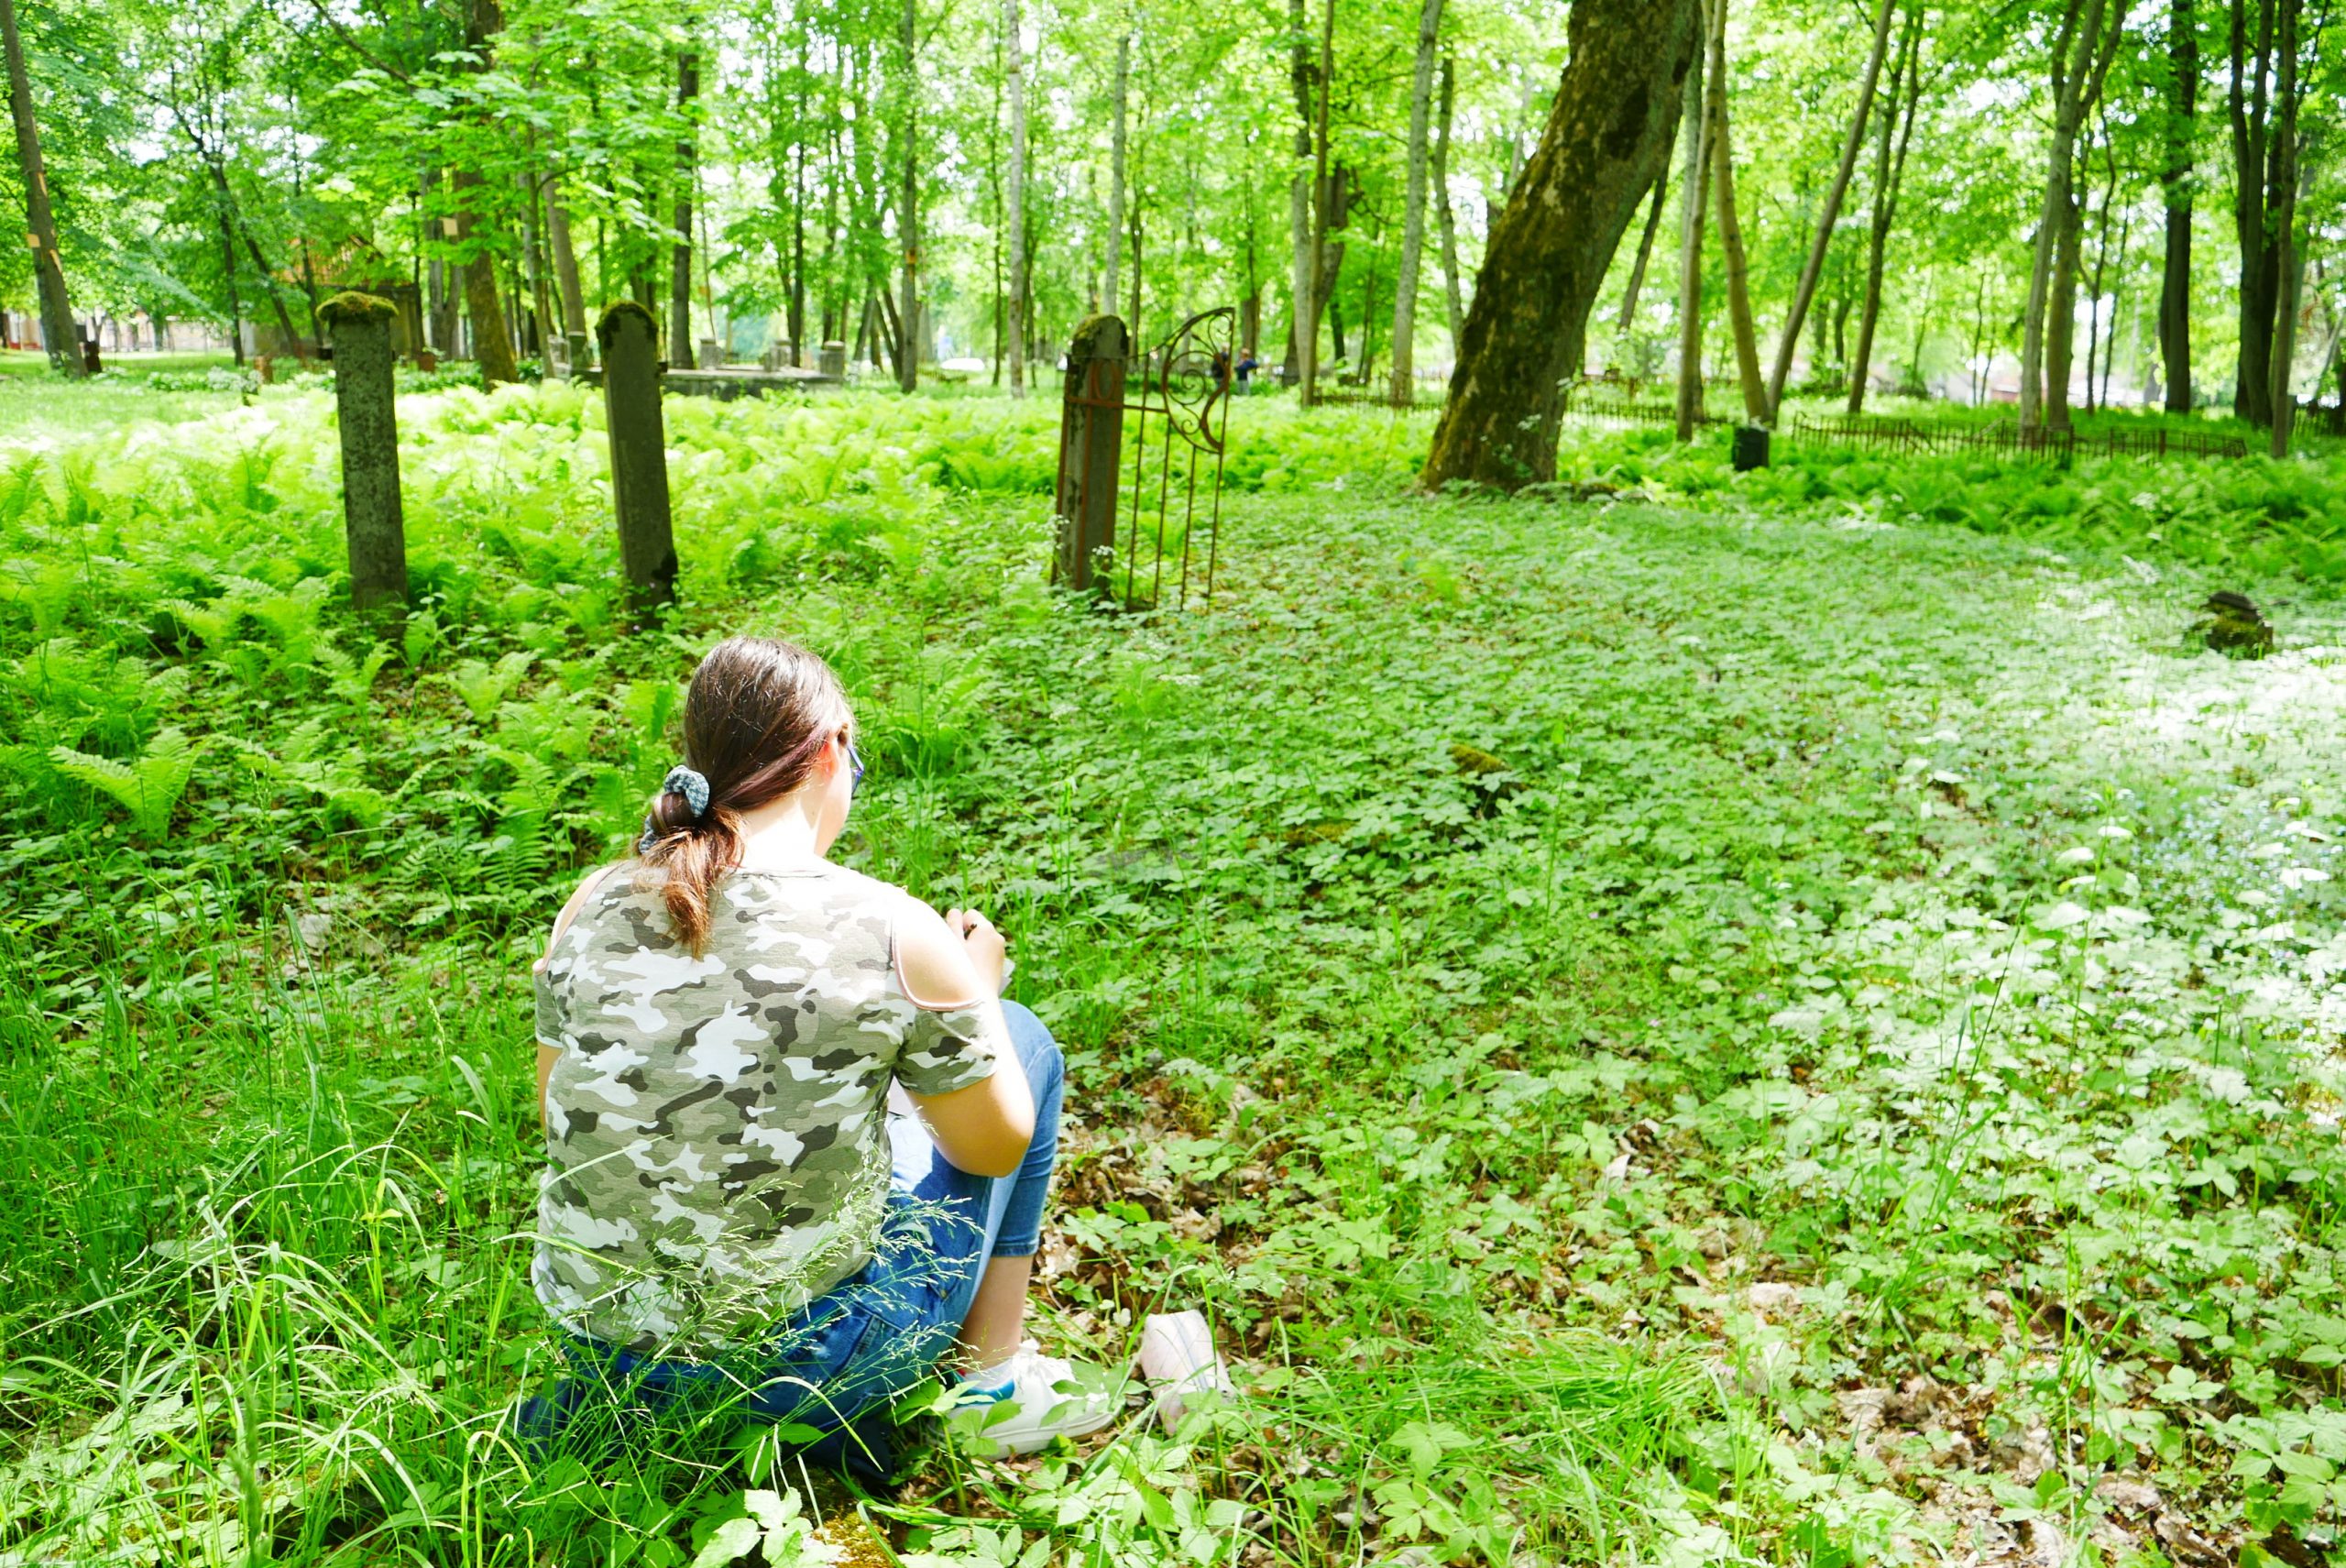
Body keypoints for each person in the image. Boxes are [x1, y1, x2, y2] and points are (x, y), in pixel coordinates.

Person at [526, 636, 1118, 1471]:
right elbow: (993, 1146)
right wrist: (977, 993)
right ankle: (992, 1385)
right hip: (799, 1376)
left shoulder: (589, 903)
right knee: (1025, 1041)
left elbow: (559, 1111)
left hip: (604, 1362)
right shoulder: (893, 926)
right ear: (833, 748)